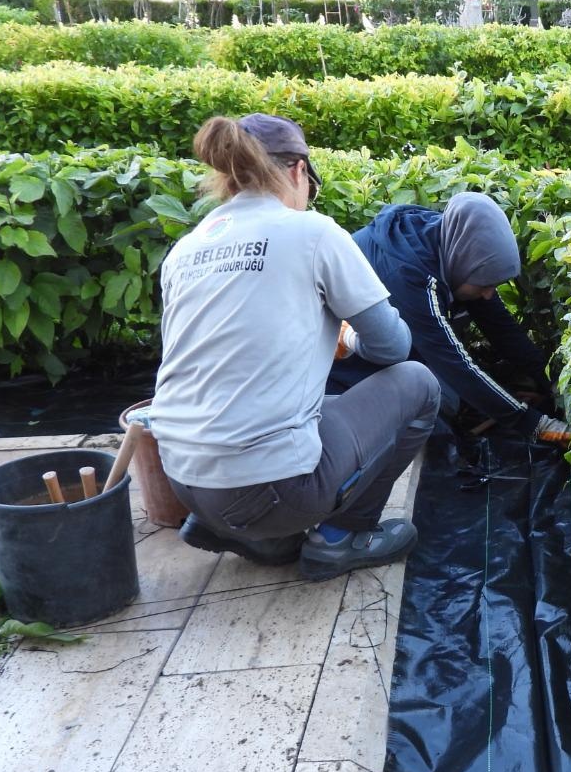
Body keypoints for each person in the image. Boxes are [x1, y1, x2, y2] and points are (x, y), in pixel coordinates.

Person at [150, 113, 442, 582]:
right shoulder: (313, 232)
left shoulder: (186, 249)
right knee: (418, 383)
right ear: (299, 171)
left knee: (324, 406)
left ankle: (249, 533)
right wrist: (348, 335)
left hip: (185, 483)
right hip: (271, 490)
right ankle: (342, 537)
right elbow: (393, 346)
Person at [328, 194, 571, 445]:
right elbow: (455, 364)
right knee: (441, 400)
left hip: (384, 352)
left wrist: (553, 386)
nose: (489, 294)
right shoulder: (410, 276)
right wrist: (537, 425)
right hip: (343, 378)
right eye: (484, 285)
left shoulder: (454, 245)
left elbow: (502, 329)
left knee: (449, 394)